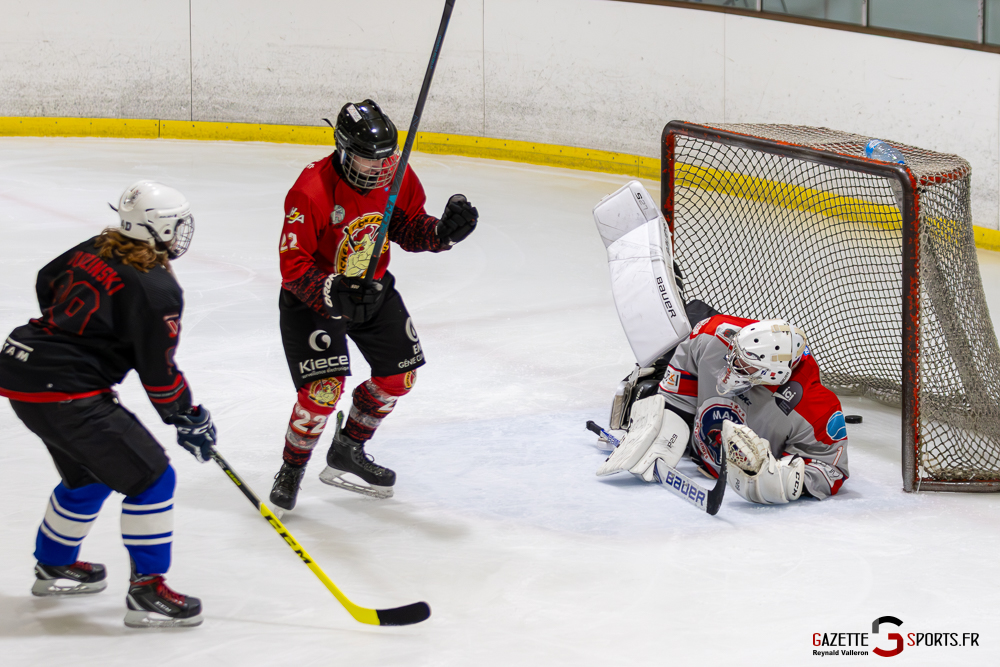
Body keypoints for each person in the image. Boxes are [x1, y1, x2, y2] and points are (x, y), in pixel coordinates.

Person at [0, 181, 216, 628]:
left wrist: (77, 339)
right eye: (176, 225)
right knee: (153, 479)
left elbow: (47, 279)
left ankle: (55, 565)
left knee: (91, 478)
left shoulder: (95, 245)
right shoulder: (156, 288)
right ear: (158, 228)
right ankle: (148, 592)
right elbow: (158, 370)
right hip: (67, 390)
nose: (180, 233)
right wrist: (186, 416)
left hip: (20, 370)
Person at [270, 98, 478, 510]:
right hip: (315, 299)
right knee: (323, 392)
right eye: (370, 161)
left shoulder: (395, 173)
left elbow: (407, 227)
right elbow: (293, 268)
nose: (382, 169)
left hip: (373, 289)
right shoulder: (310, 190)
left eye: (387, 159)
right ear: (345, 152)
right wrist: (332, 291)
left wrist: (443, 233)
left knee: (399, 377)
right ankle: (292, 466)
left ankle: (349, 448)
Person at [597, 314, 849, 504]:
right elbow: (679, 389)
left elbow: (831, 469)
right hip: (699, 444)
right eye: (735, 355)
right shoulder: (714, 337)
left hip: (739, 466)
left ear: (774, 375)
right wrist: (667, 427)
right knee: (647, 391)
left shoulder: (816, 409)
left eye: (744, 366)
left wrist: (786, 479)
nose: (731, 365)